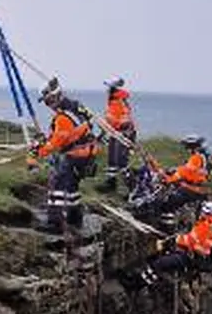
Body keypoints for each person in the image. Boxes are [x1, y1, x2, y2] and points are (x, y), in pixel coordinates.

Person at [32, 77, 99, 234]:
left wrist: (38, 150)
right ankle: (75, 217)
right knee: (72, 185)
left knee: (57, 185)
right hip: (87, 152)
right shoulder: (75, 106)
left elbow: (57, 142)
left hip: (76, 154)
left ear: (55, 97)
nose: (48, 105)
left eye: (48, 101)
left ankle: (55, 223)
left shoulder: (62, 117)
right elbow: (81, 127)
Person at [137, 200, 212, 288]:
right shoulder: (209, 227)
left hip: (187, 257)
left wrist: (174, 240)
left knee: (159, 264)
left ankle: (136, 284)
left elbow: (190, 241)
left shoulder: (205, 226)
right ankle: (138, 281)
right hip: (191, 258)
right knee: (157, 260)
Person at [151, 134, 211, 231]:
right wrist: (174, 170)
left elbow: (184, 172)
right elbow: (189, 170)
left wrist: (169, 179)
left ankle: (165, 229)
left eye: (187, 147)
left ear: (192, 147)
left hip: (192, 189)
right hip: (200, 189)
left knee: (167, 204)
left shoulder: (196, 158)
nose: (187, 149)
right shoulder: (203, 158)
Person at [96, 76, 136, 193]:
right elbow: (111, 119)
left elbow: (125, 121)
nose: (106, 90)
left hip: (124, 134)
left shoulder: (119, 101)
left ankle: (132, 187)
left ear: (113, 89)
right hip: (115, 133)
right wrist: (103, 132)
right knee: (112, 160)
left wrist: (115, 126)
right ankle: (111, 183)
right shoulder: (112, 101)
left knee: (121, 162)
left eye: (108, 88)